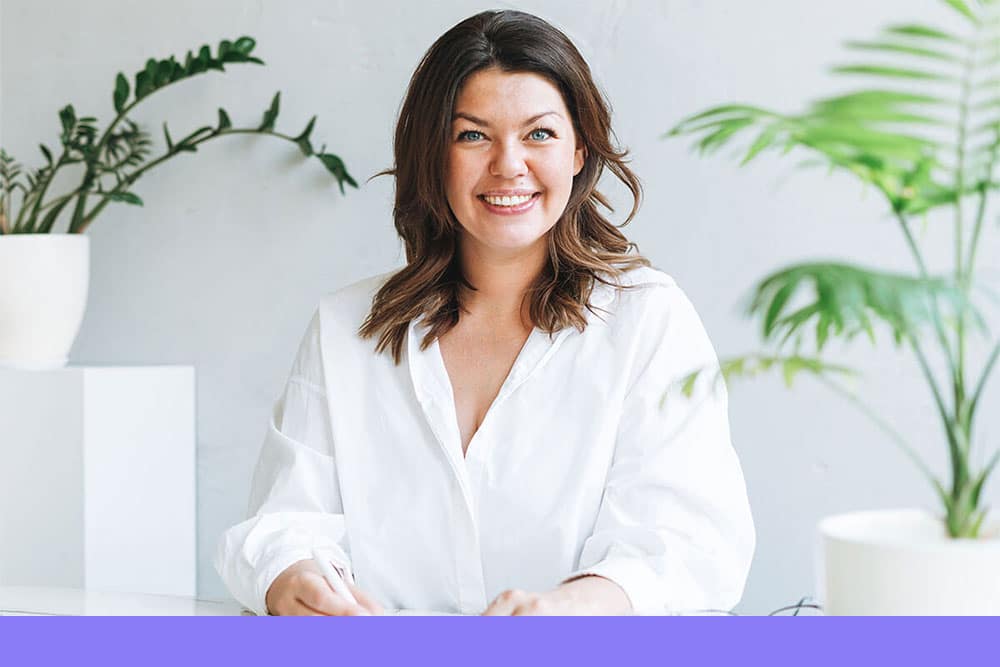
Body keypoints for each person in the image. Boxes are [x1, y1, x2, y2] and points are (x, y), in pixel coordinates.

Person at [215, 9, 754, 616]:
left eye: (539, 134)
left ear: (579, 149)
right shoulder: (347, 326)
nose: (508, 165)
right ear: (433, 156)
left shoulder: (648, 321)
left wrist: (566, 613)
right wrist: (292, 579)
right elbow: (282, 523)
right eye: (472, 134)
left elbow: (688, 544)